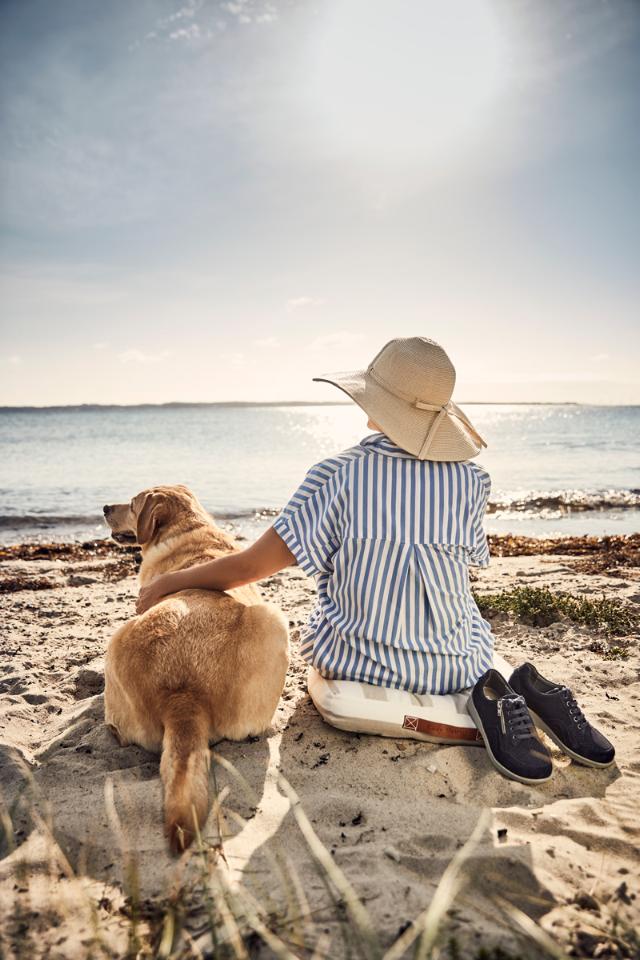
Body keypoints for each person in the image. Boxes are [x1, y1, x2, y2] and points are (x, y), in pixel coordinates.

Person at [136, 337, 494, 695]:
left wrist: (168, 582)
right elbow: (464, 564)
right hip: (456, 667)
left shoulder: (340, 474)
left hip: (361, 665)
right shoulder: (473, 480)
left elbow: (250, 567)